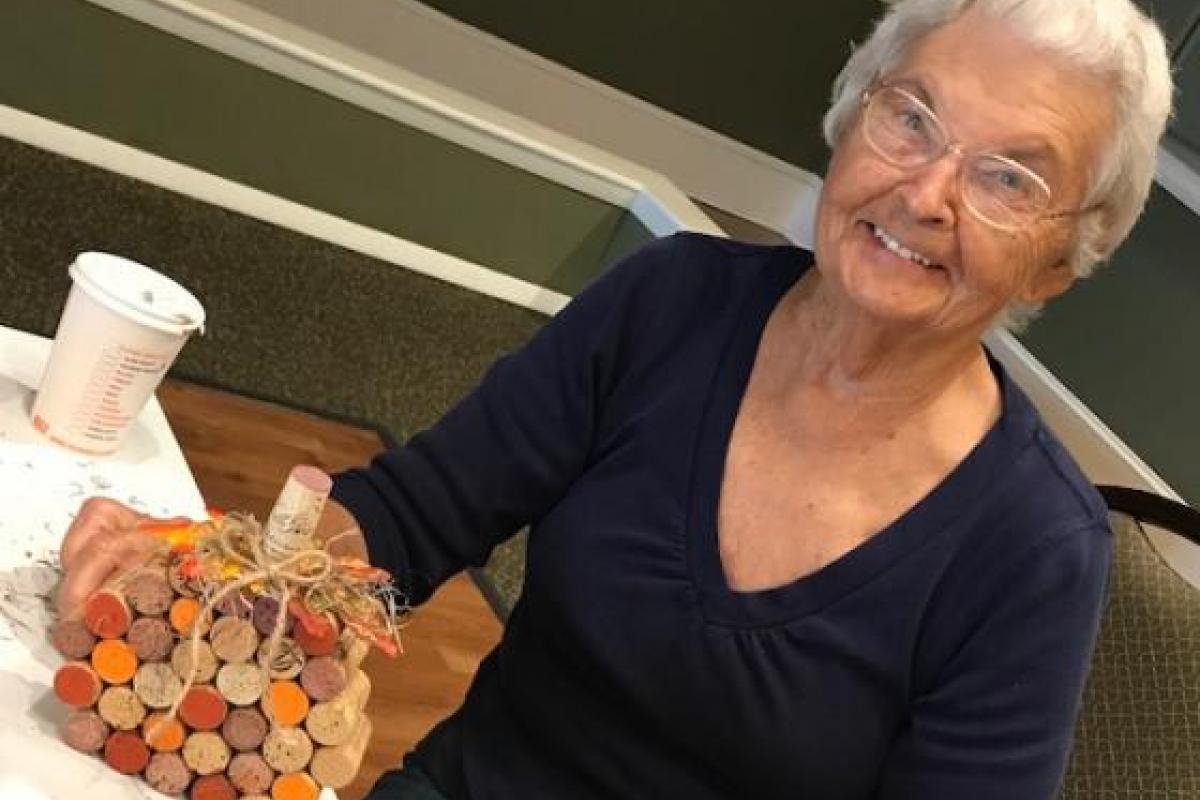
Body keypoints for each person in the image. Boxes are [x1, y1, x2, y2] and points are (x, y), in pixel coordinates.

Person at [57, 0, 1174, 797]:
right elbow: (412, 520)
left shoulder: (1031, 546)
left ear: (1059, 264)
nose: (927, 191)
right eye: (913, 118)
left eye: (1009, 178)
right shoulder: (673, 301)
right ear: (850, 121)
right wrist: (206, 580)